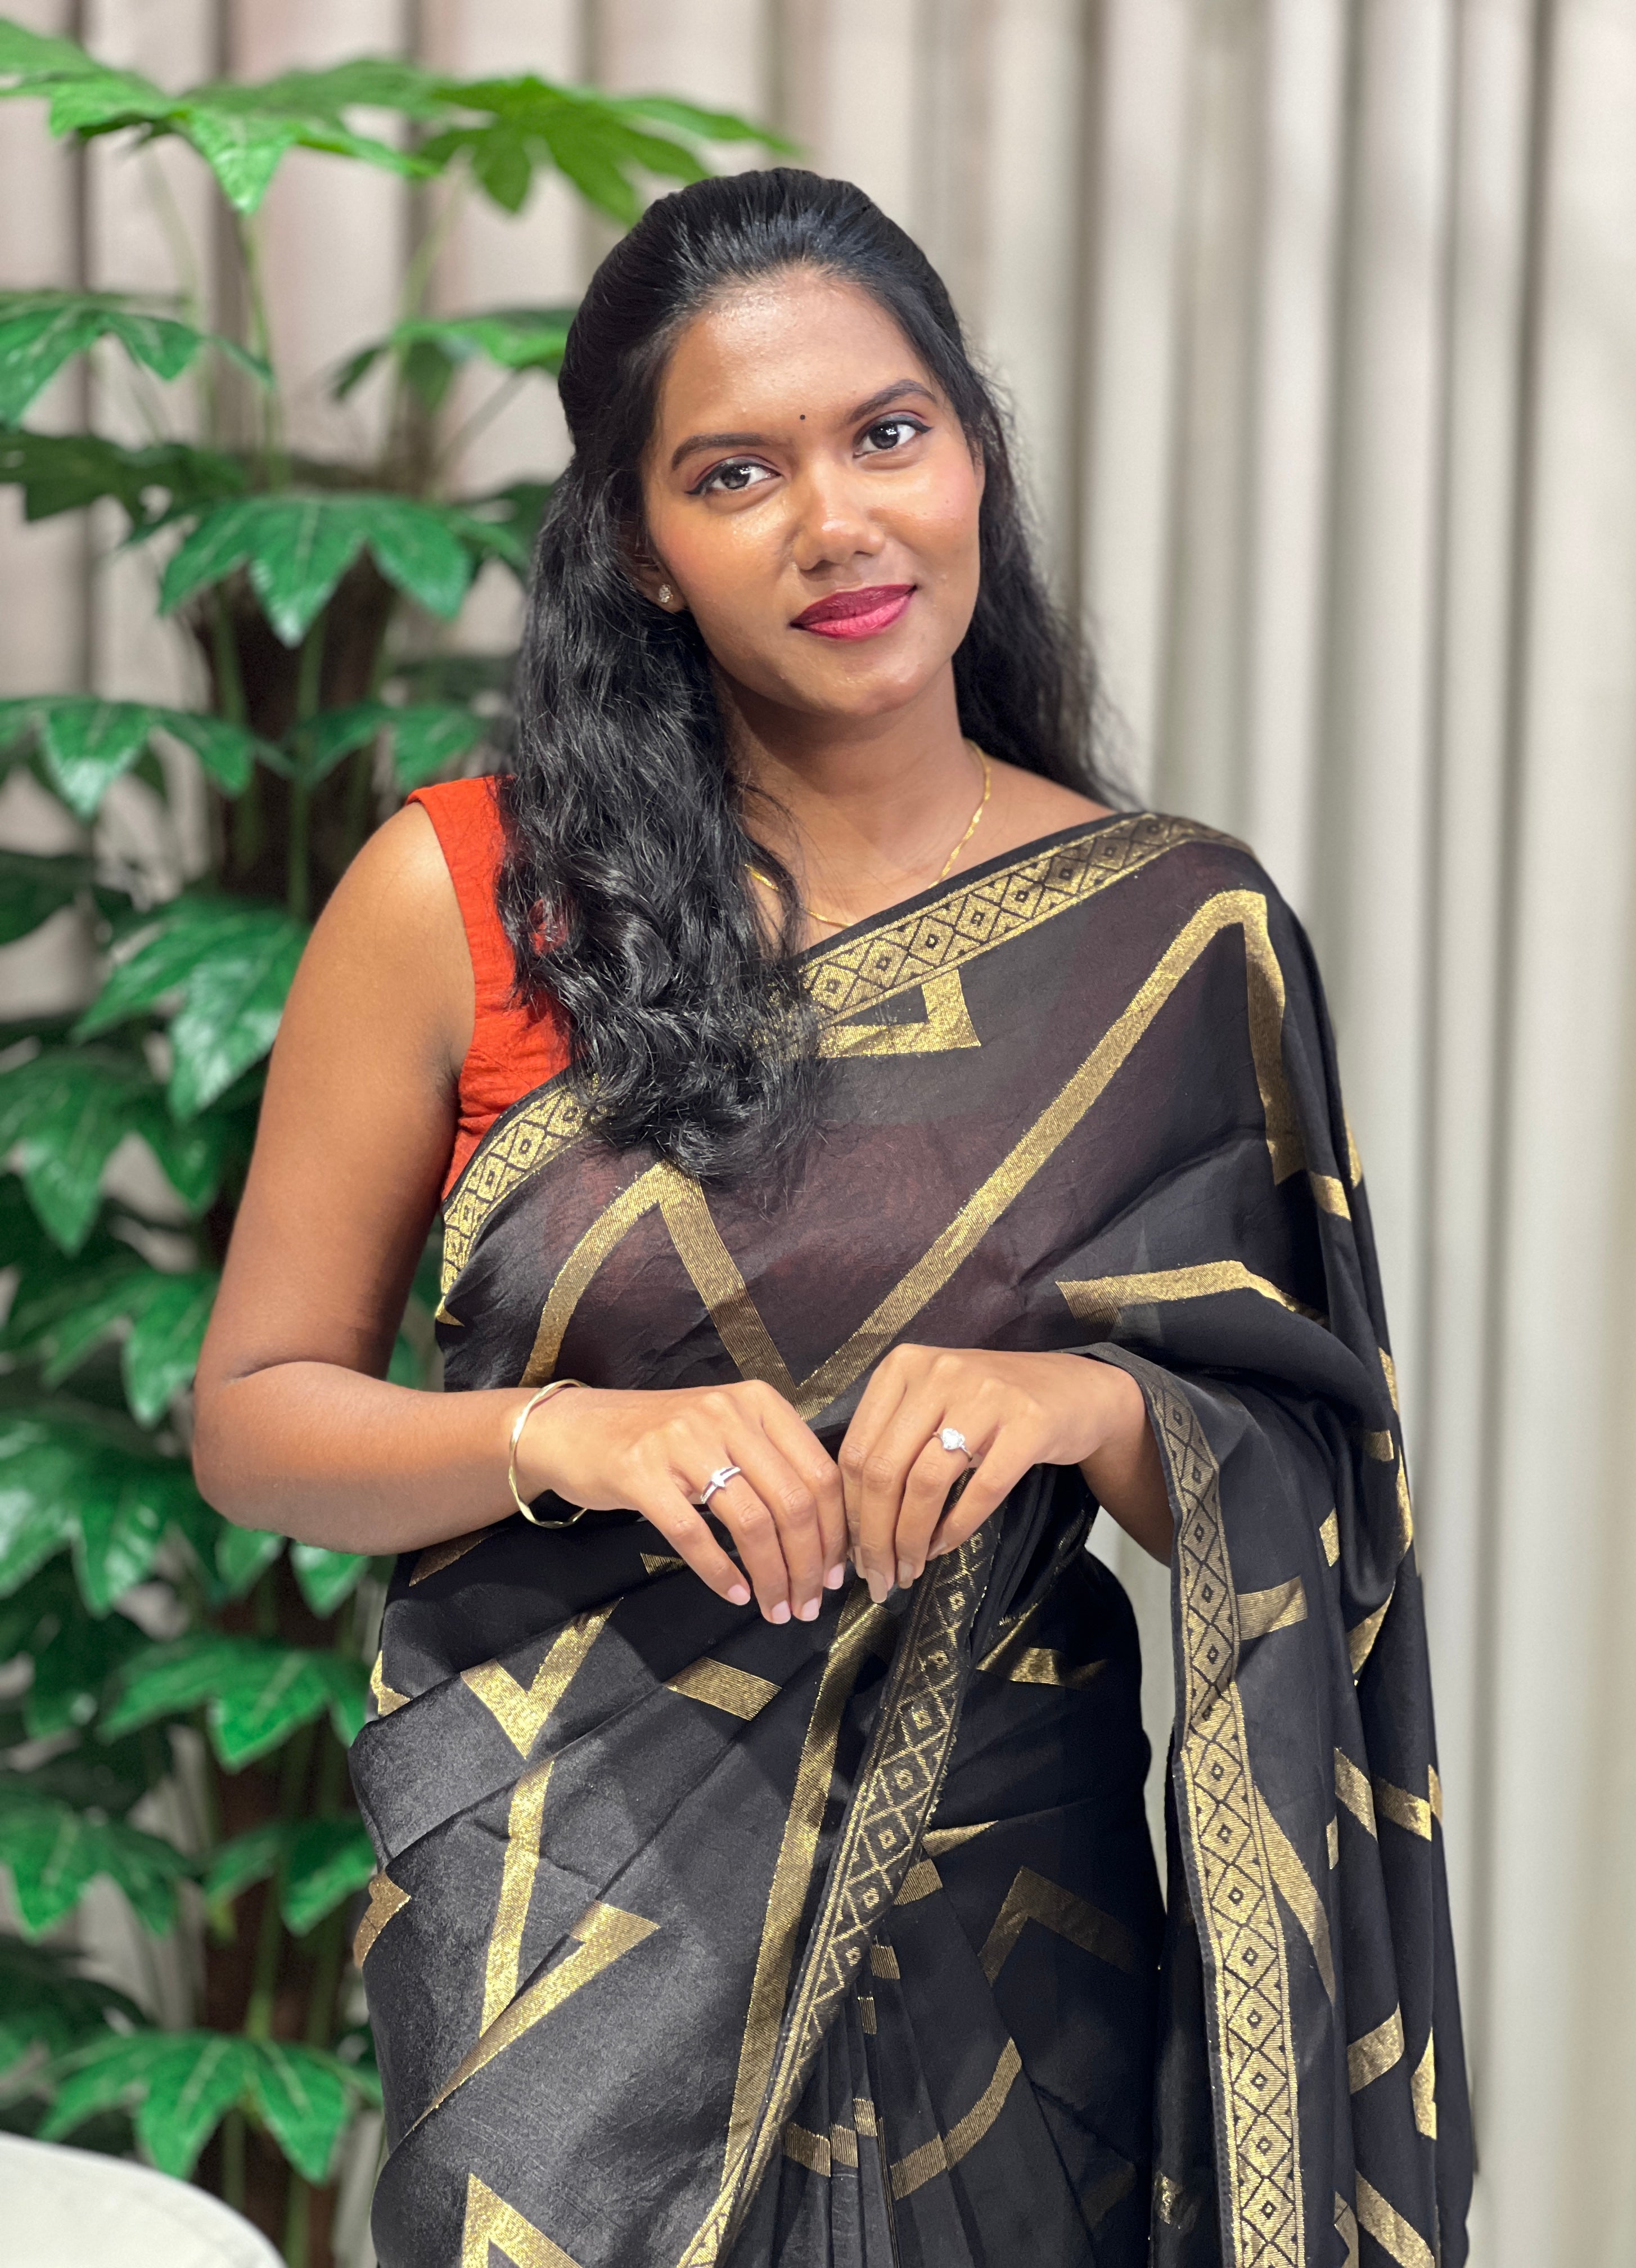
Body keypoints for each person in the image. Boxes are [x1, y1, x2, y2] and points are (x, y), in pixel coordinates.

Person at [194, 169, 1470, 2268]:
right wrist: (573, 1437)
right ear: (639, 546)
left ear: (975, 450)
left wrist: (1087, 1408)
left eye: (888, 434)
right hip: (567, 1935)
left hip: (1015, 1935)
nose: (838, 523)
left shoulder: (1171, 939)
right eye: (735, 474)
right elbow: (256, 1421)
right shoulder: (466, 899)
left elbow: (1315, 1481)